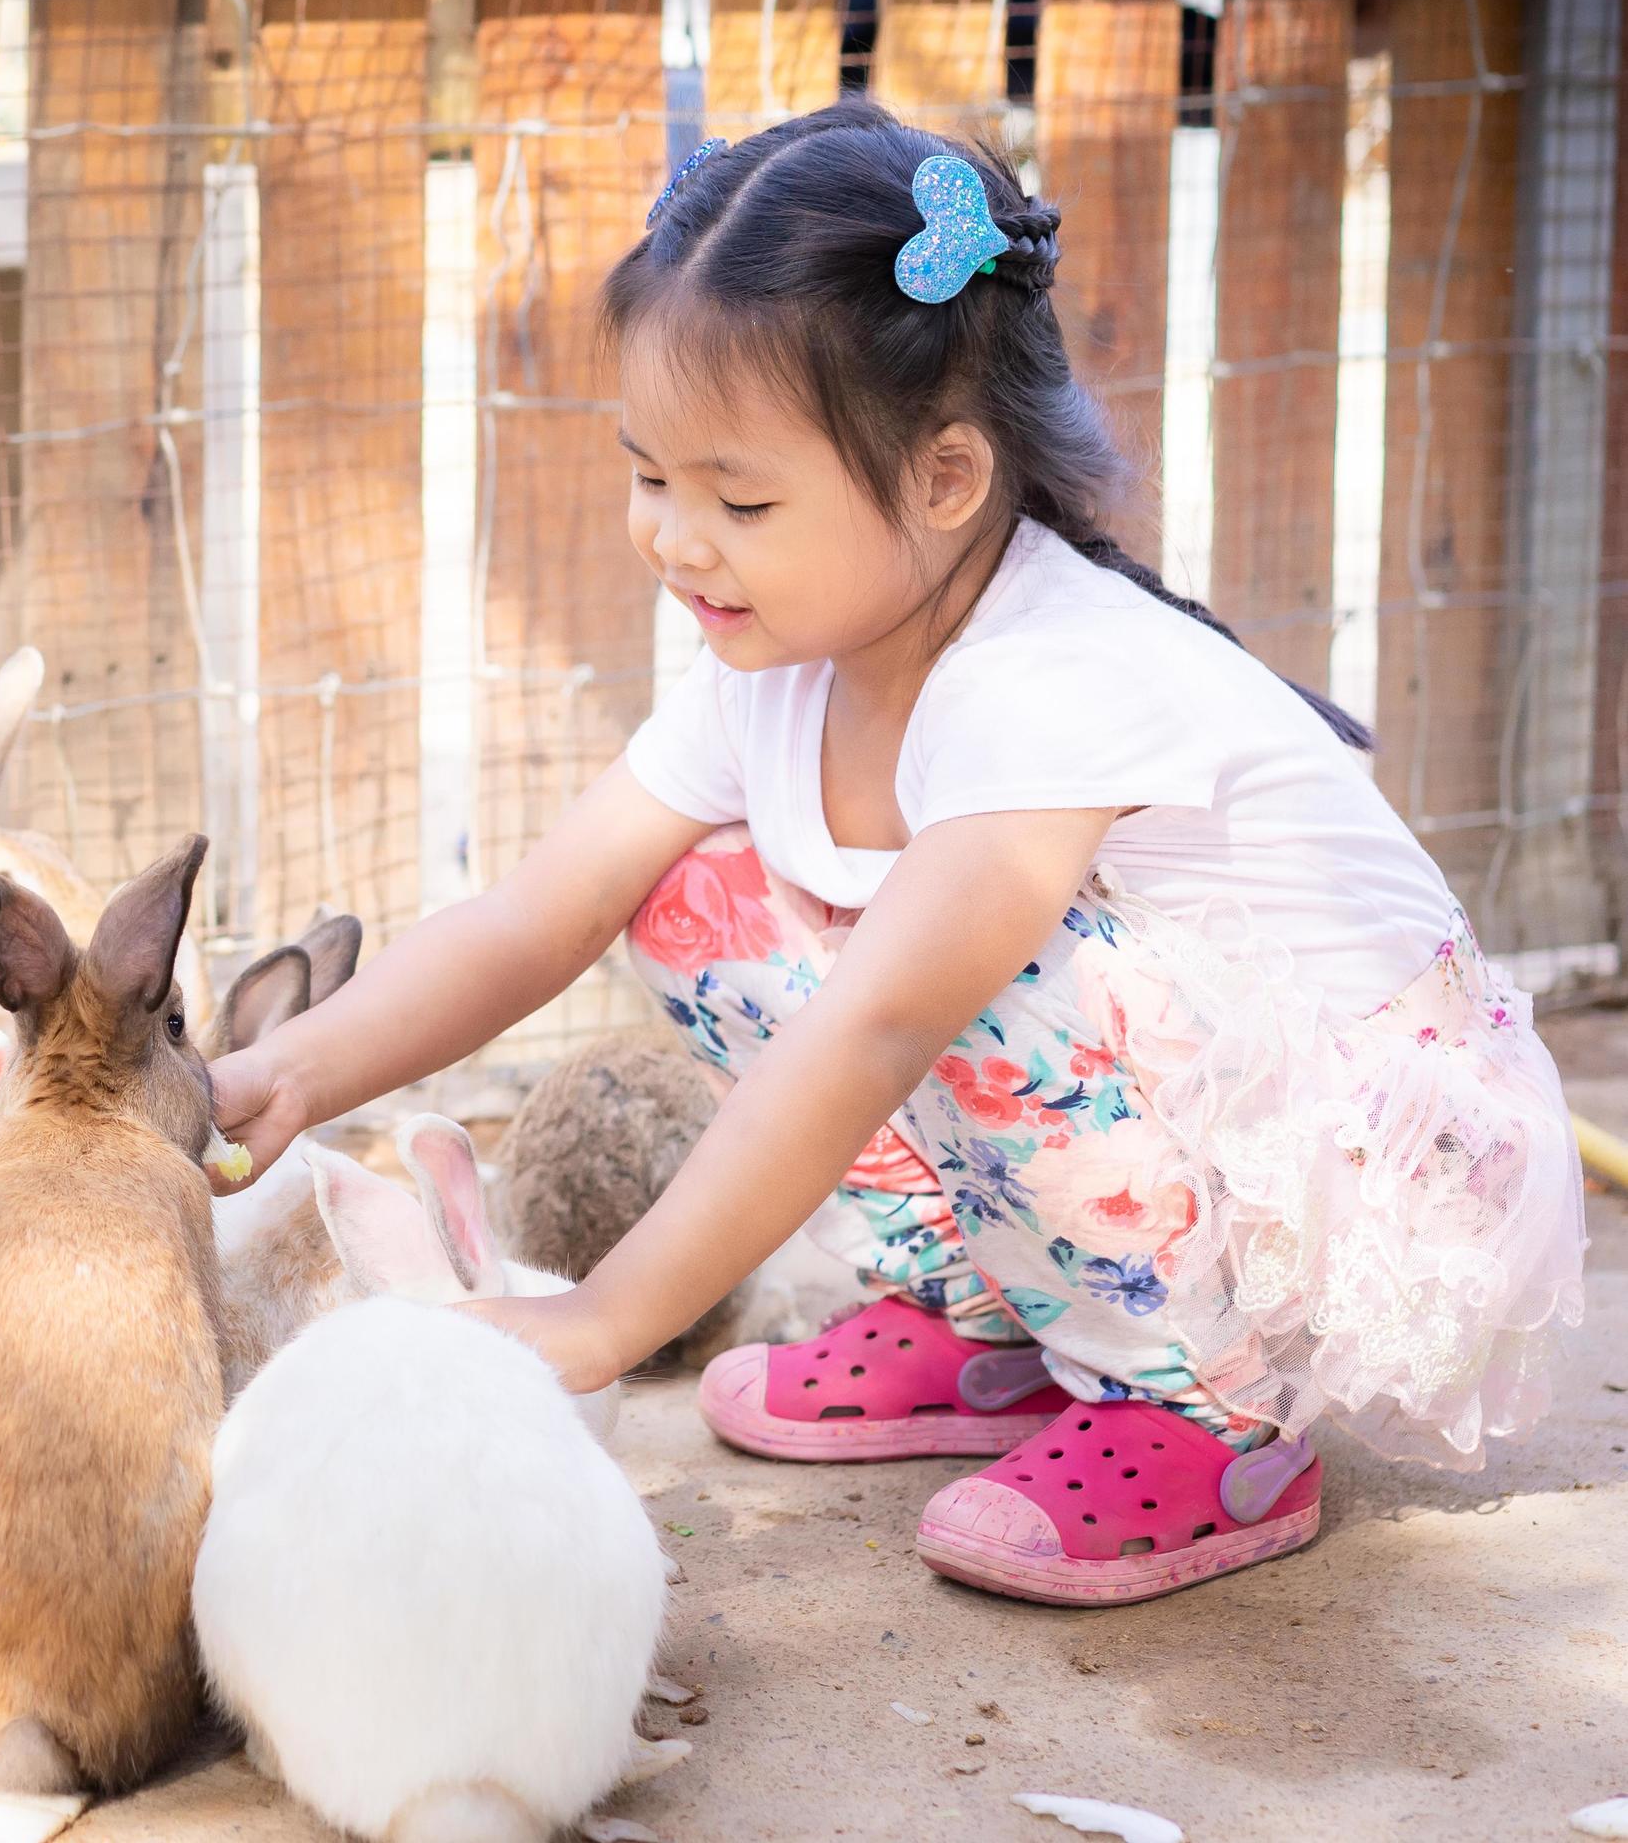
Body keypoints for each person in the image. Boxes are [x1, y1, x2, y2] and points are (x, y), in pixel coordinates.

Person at [208, 96, 1584, 1607]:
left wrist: (603, 1320)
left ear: (942, 478)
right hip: (1155, 1133)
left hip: (1363, 1181)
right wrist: (291, 1070)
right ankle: (990, 1321)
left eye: (737, 498)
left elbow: (877, 1026)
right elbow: (541, 909)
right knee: (694, 893)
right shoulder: (784, 660)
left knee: (960, 977)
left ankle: (1217, 1414)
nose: (673, 538)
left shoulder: (1047, 682)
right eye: (649, 475)